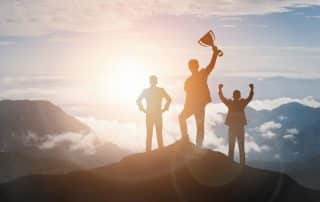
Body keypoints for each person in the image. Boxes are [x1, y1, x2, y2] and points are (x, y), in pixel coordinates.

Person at [179, 45, 222, 147]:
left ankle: (189, 140)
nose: (192, 67)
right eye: (192, 66)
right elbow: (210, 66)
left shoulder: (192, 79)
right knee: (198, 125)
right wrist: (215, 54)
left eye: (193, 66)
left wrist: (215, 54)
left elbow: (211, 66)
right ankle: (195, 144)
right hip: (197, 105)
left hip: (195, 105)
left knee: (184, 119)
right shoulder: (198, 76)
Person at [218, 83, 254, 166]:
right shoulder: (242, 103)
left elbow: (222, 98)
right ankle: (242, 164)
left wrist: (220, 89)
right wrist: (251, 89)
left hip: (232, 127)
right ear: (239, 96)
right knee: (241, 146)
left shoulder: (230, 103)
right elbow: (249, 98)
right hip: (240, 127)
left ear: (233, 96)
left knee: (231, 146)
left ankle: (230, 163)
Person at [137, 75, 172, 152]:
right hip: (157, 114)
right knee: (158, 133)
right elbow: (169, 99)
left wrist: (142, 109)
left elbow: (138, 100)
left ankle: (148, 152)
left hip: (150, 114)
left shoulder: (146, 91)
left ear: (150, 81)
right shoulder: (160, 90)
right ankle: (160, 150)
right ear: (156, 81)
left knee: (149, 134)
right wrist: (165, 109)